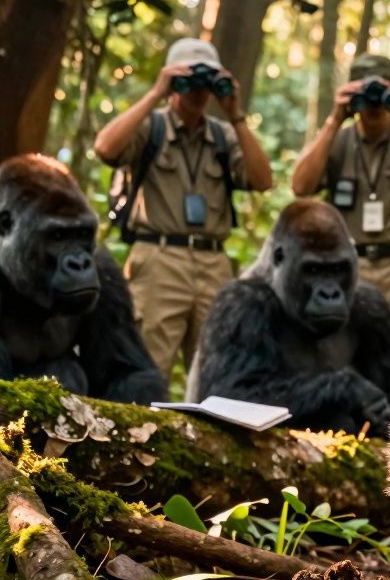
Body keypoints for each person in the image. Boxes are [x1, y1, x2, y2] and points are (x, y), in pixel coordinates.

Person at [93, 38, 273, 382]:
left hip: (212, 263)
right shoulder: (151, 128)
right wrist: (154, 94)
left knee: (217, 373)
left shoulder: (223, 136)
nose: (198, 90)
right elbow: (105, 148)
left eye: (206, 80)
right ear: (171, 80)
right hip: (159, 259)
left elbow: (262, 180)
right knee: (146, 368)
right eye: (187, 78)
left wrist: (236, 114)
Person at [292, 53, 390, 373]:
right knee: (340, 358)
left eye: (382, 90)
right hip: (347, 268)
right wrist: (334, 119)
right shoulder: (338, 141)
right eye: (365, 92)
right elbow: (301, 185)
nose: (374, 102)